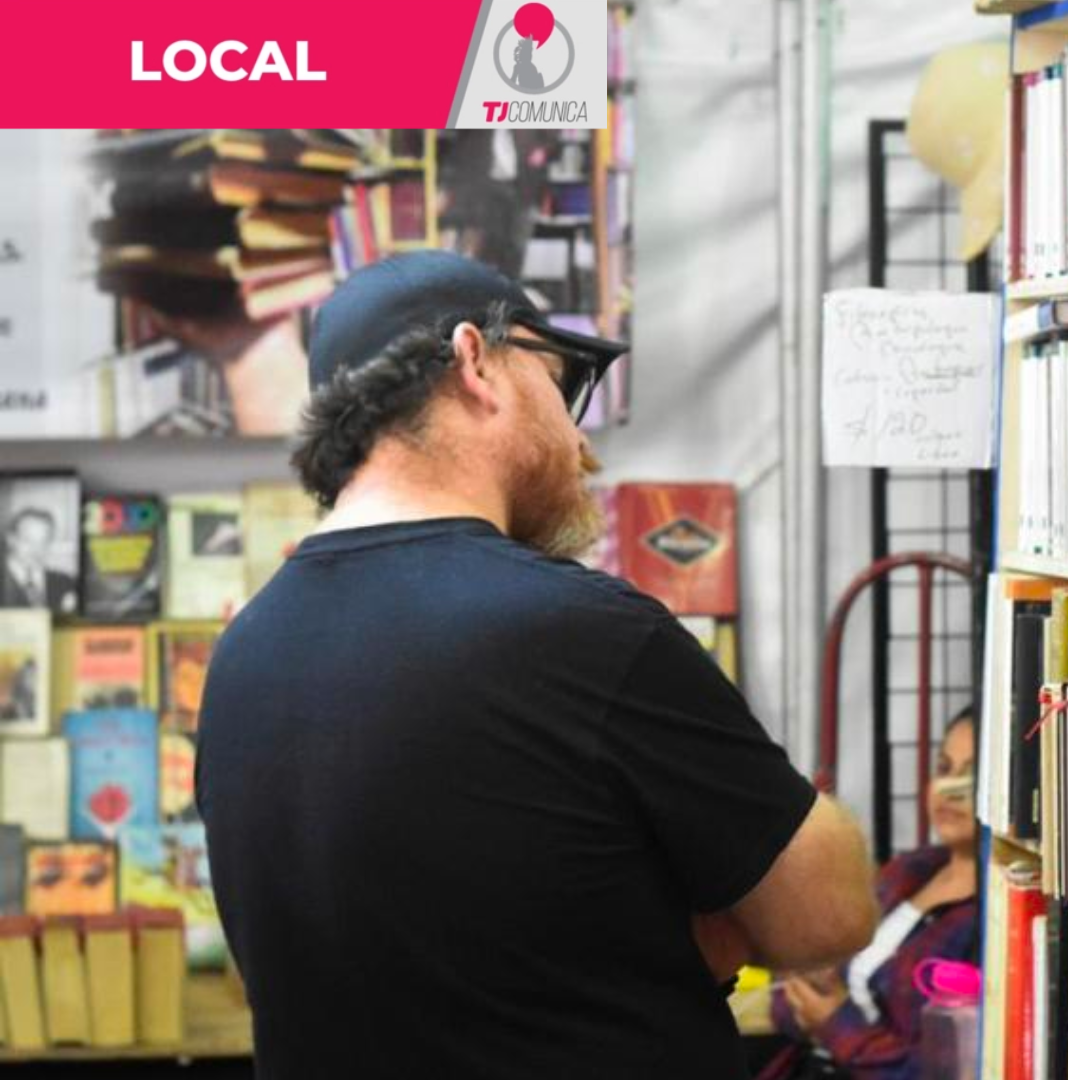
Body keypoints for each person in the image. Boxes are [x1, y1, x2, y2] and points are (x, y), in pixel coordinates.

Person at [196, 251, 879, 1080]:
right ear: (476, 363)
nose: (578, 439)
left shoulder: (243, 653)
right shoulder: (582, 631)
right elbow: (827, 914)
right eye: (560, 382)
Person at [761, 710, 981, 1080]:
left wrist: (835, 1023)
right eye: (944, 768)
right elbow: (786, 999)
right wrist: (814, 1005)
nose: (949, 790)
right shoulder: (908, 870)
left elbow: (937, 1070)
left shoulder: (991, 917)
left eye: (971, 776)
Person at [1, 507, 78, 614]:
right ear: (11, 539)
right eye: (28, 540)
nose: (36, 550)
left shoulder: (66, 582)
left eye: (44, 541)